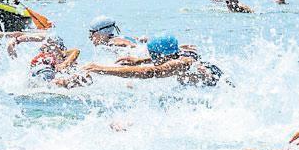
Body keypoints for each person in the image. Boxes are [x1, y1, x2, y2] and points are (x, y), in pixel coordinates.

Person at [83, 34, 222, 86]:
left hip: (221, 92)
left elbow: (149, 72)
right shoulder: (180, 54)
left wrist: (101, 69)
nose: (153, 59)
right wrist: (139, 61)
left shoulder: (179, 64)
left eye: (154, 56)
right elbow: (165, 57)